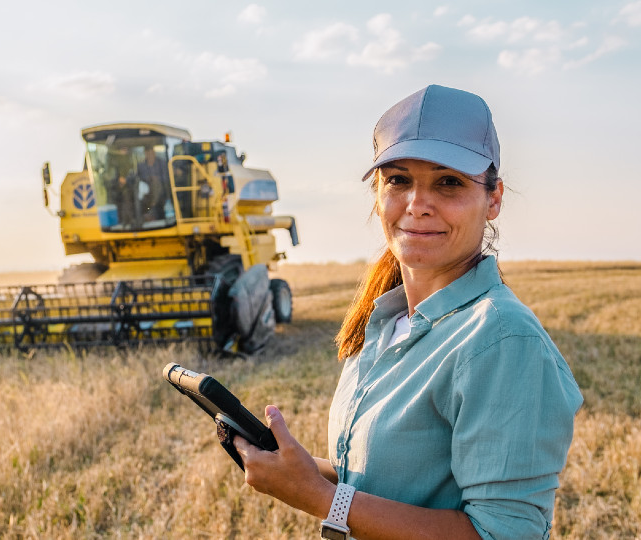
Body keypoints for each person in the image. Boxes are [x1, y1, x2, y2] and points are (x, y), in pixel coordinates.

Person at [229, 85, 583, 540]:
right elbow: (389, 483)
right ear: (378, 193)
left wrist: (320, 498)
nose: (417, 203)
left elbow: (501, 534)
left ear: (493, 199)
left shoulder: (503, 339)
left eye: (449, 182)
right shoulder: (387, 323)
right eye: (398, 180)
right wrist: (299, 470)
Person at [137, 146, 169, 221]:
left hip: (162, 190)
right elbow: (138, 178)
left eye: (151, 153)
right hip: (146, 191)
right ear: (145, 154)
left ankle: (152, 207)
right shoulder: (140, 166)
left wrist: (157, 178)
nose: (150, 155)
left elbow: (167, 177)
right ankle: (148, 211)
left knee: (156, 183)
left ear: (154, 153)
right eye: (148, 153)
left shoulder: (163, 163)